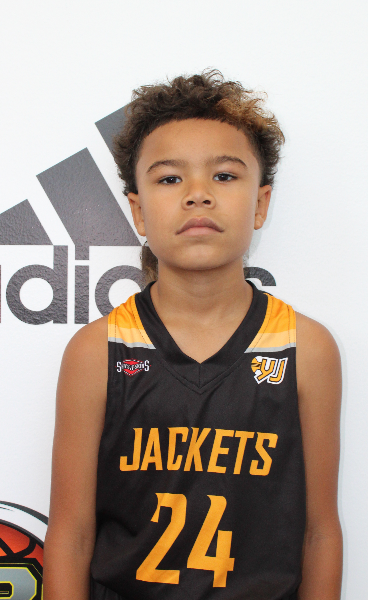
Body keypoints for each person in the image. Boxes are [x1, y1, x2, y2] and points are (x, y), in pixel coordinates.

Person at [43, 69, 343, 600]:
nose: (198, 195)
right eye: (169, 179)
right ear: (138, 210)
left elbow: (319, 533)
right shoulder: (96, 352)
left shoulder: (306, 349)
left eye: (224, 176)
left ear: (260, 204)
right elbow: (72, 536)